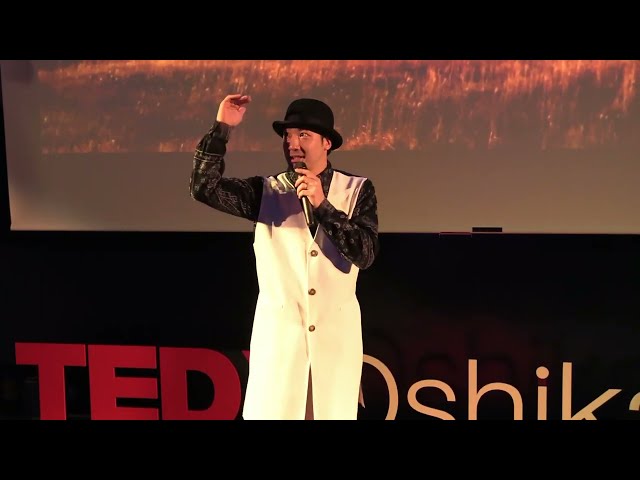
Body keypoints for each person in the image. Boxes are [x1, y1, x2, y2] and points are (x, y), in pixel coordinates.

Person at [189, 93, 379, 420]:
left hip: (334, 344)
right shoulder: (267, 192)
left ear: (327, 143)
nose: (292, 143)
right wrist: (221, 129)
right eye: (288, 136)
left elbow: (365, 254)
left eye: (303, 135)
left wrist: (323, 207)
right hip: (280, 344)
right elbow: (203, 188)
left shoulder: (356, 190)